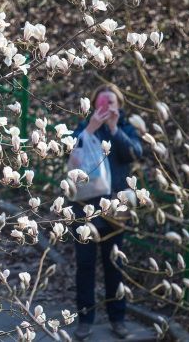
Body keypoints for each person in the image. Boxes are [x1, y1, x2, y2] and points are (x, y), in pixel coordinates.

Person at [68, 84, 142, 340]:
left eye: (111, 103)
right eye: (102, 103)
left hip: (116, 205)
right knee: (85, 265)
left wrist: (113, 129)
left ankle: (117, 318)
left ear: (119, 106)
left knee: (115, 263)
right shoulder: (84, 127)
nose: (107, 108)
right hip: (84, 208)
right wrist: (90, 129)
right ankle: (85, 319)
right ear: (93, 105)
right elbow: (71, 155)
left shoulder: (126, 128)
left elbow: (134, 153)